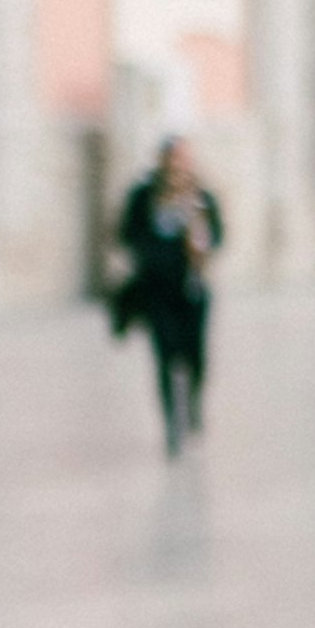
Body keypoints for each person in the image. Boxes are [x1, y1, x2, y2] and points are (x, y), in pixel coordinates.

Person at [114, 137, 220, 455]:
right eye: (174, 159)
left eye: (184, 160)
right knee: (164, 357)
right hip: (157, 290)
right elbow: (127, 234)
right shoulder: (144, 197)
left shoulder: (200, 198)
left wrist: (203, 242)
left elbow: (218, 234)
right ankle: (172, 425)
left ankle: (193, 403)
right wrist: (155, 255)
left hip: (193, 289)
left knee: (196, 355)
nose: (179, 166)